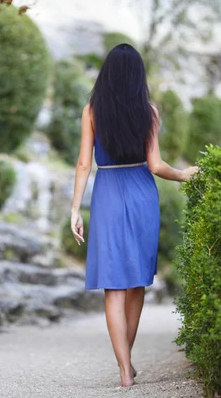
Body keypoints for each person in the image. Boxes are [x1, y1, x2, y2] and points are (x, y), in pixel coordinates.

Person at [69, 44, 200, 388]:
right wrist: (184, 174)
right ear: (138, 76)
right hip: (142, 192)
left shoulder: (92, 110)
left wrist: (74, 210)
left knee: (113, 285)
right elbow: (156, 165)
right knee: (137, 282)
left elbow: (84, 163)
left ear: (107, 73)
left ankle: (125, 370)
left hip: (108, 192)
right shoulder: (150, 112)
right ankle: (127, 359)